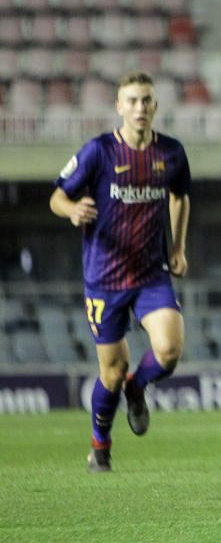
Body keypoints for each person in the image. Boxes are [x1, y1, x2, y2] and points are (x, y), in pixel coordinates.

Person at [50, 71, 191, 472]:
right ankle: (100, 446)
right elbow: (57, 196)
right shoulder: (98, 152)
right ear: (119, 107)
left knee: (169, 350)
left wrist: (178, 245)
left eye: (146, 100)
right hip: (105, 279)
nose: (140, 108)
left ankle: (138, 386)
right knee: (110, 372)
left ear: (155, 105)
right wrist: (72, 209)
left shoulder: (172, 154)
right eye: (132, 101)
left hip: (151, 274)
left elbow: (180, 197)